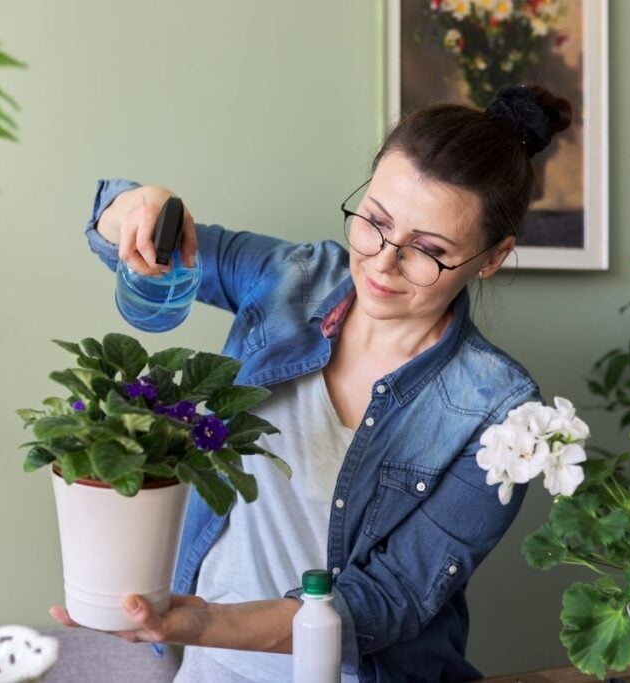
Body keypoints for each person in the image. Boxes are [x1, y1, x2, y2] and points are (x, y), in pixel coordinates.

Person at [53, 84, 572, 682]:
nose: (382, 261)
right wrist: (144, 204)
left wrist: (199, 623)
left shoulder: (504, 414)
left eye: (427, 250)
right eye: (374, 222)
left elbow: (389, 600)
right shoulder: (293, 278)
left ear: (492, 258)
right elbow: (111, 225)